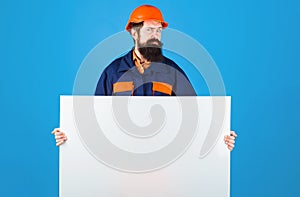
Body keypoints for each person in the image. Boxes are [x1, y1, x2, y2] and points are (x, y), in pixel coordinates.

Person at [52, 5, 237, 150]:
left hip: (164, 159)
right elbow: (94, 119)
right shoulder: (113, 72)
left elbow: (196, 117)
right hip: (121, 158)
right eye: (149, 30)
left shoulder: (173, 72)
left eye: (159, 30)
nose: (155, 36)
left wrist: (220, 139)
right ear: (134, 32)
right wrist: (70, 136)